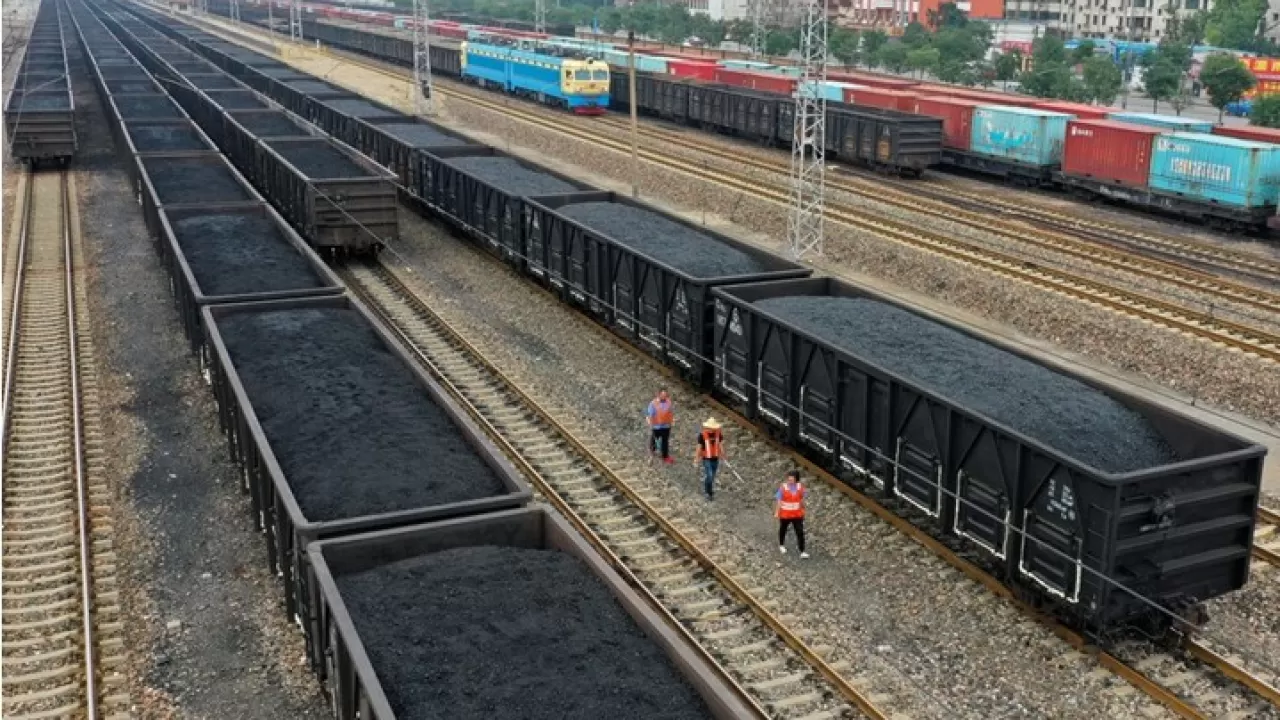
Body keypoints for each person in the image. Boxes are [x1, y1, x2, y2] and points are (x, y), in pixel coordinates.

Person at [776, 470, 808, 558]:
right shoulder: (783, 487)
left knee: (800, 532)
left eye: (792, 479)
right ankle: (781, 545)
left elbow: (802, 499)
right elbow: (779, 500)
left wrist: (803, 509)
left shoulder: (800, 487)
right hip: (785, 514)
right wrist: (777, 512)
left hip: (797, 515)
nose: (790, 481)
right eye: (789, 479)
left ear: (796, 479)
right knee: (783, 529)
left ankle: (802, 551)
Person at [693, 417, 724, 500]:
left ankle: (708, 488)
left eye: (712, 428)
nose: (711, 429)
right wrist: (696, 458)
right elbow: (699, 447)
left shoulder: (718, 434)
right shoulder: (702, 435)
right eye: (710, 428)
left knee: (712, 476)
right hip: (707, 459)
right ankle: (708, 492)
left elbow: (720, 444)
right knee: (709, 475)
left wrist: (723, 453)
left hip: (715, 458)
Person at [645, 389, 674, 465]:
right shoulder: (653, 403)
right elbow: (649, 415)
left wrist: (671, 421)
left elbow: (670, 413)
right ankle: (651, 453)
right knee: (653, 441)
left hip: (666, 426)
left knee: (665, 442)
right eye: (662, 395)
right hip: (656, 427)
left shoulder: (669, 402)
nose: (664, 396)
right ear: (658, 395)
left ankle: (665, 456)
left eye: (665, 395)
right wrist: (650, 422)